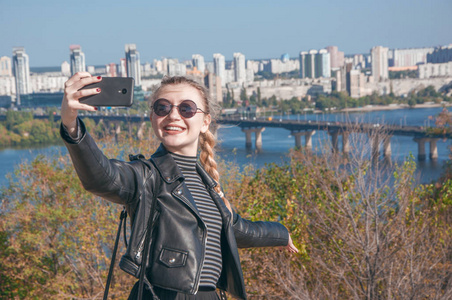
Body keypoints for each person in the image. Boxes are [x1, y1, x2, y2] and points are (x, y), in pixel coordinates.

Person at [60, 72, 298, 300]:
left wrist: (280, 233)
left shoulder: (209, 186)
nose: (173, 115)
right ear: (153, 118)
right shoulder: (145, 176)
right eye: (162, 108)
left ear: (205, 122)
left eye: (186, 108)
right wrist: (71, 125)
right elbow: (102, 178)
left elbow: (237, 231)